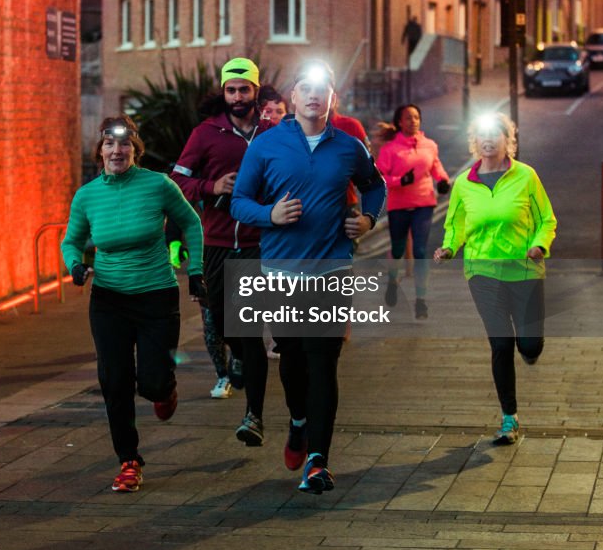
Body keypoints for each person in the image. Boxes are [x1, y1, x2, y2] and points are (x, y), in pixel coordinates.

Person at [231, 59, 387, 494]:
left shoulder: (349, 146)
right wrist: (270, 214)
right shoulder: (265, 146)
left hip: (332, 268)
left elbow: (375, 186)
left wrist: (369, 219)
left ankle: (318, 460)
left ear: (332, 99)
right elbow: (239, 202)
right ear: (292, 98)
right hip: (280, 271)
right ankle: (298, 422)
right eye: (305, 88)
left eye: (323, 88)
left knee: (324, 362)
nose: (314, 95)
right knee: (294, 364)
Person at [61, 116, 205, 493]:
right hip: (109, 300)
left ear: (135, 150)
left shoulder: (158, 185)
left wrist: (198, 270)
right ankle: (129, 460)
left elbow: (192, 224)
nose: (117, 151)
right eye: (109, 144)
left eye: (124, 145)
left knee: (153, 383)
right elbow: (71, 241)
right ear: (100, 151)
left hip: (156, 295)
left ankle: (164, 390)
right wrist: (75, 265)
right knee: (114, 380)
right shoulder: (87, 195)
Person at [434, 112, 557, 445]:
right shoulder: (463, 183)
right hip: (482, 272)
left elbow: (547, 219)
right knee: (501, 343)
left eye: (495, 135)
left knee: (529, 344)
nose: (488, 141)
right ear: (476, 142)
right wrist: (448, 248)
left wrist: (538, 245)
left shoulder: (526, 177)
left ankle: (529, 349)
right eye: (482, 136)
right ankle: (509, 418)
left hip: (525, 270)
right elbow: (455, 224)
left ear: (508, 140)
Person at [171, 57, 270, 446]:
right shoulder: (206, 133)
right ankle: (240, 356)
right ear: (223, 93)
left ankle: (255, 416)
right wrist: (212, 187)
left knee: (249, 328)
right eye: (232, 90)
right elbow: (177, 180)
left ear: (256, 92)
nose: (238, 96)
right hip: (215, 242)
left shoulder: (272, 133)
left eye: (244, 89)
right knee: (226, 324)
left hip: (258, 244)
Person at [376, 104, 450, 318]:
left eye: (416, 117)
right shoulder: (390, 150)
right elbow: (380, 178)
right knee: (398, 249)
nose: (413, 121)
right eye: (408, 118)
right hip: (399, 205)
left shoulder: (430, 145)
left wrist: (443, 181)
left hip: (423, 203)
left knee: (419, 251)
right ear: (399, 122)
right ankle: (392, 281)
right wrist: (400, 181)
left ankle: (420, 300)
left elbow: (436, 167)